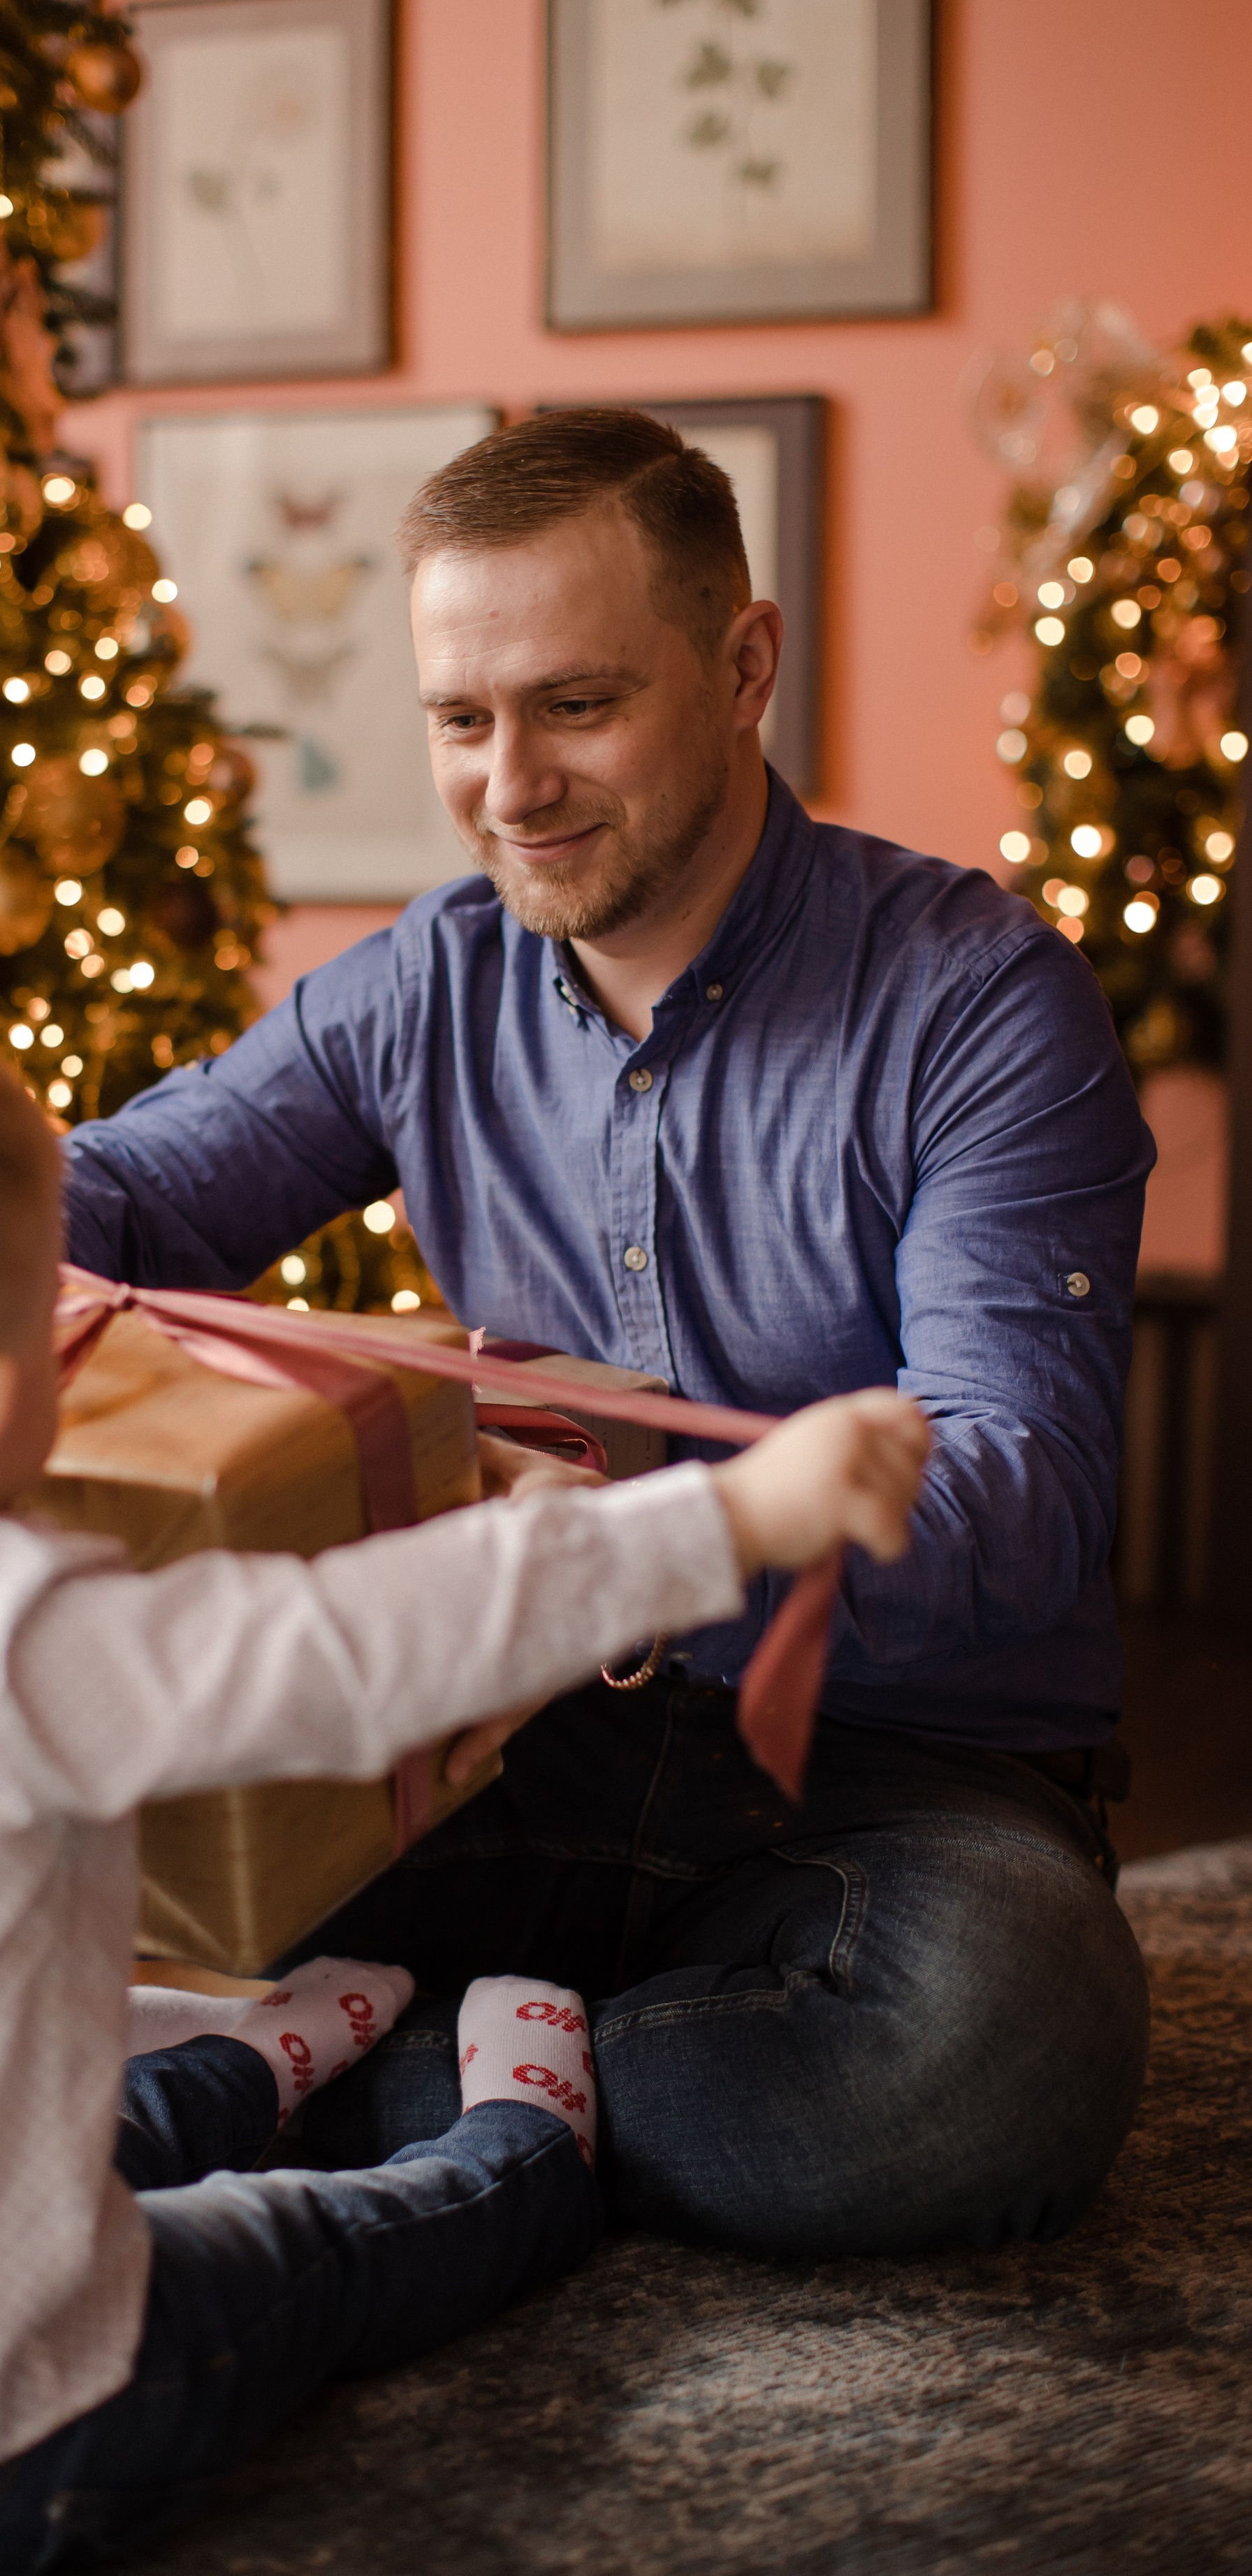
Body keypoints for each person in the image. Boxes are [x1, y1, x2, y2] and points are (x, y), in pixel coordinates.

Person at [0, 998, 922, 2570]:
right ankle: (514, 2160)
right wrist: (726, 1519)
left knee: (28, 2141)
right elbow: (358, 1643)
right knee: (290, 2256)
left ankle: (249, 2068)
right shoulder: (6, 1647)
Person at [60, 408, 1158, 2255]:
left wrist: (617, 1525)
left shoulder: (981, 1002)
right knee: (39, 1868)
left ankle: (395, 2091)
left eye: (577, 706)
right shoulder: (425, 979)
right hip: (516, 1738)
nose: (511, 786)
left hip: (890, 1788)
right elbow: (124, 1207)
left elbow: (1019, 1502)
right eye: (460, 721)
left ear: (745, 665)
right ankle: (519, 2097)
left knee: (997, 2056)